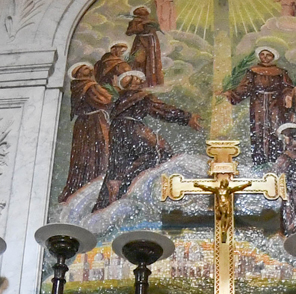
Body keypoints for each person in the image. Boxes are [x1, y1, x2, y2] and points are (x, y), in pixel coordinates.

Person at [98, 70, 200, 210]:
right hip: (132, 128)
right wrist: (186, 117)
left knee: (119, 161)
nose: (139, 82)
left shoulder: (120, 100)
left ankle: (112, 195)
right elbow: (162, 110)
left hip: (116, 131)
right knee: (161, 151)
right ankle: (134, 188)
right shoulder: (141, 96)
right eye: (136, 79)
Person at [223, 48, 294, 166]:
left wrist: (288, 95)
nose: (265, 57)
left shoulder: (281, 72)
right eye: (262, 54)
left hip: (276, 104)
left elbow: (287, 87)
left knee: (275, 129)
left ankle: (275, 160)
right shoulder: (252, 71)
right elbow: (245, 87)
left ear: (273, 57)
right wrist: (232, 94)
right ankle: (259, 160)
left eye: (268, 55)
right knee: (257, 130)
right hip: (257, 103)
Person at [58, 62, 112, 204]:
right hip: (95, 122)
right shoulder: (90, 86)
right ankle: (98, 178)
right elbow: (106, 100)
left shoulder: (77, 86)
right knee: (101, 148)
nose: (89, 69)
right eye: (84, 68)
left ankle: (85, 179)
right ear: (79, 73)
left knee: (84, 154)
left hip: (82, 124)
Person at [126, 4, 163, 85]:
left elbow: (156, 27)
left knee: (151, 59)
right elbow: (129, 32)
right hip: (140, 41)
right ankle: (136, 80)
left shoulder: (151, 21)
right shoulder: (134, 22)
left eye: (143, 15)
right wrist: (138, 25)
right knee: (137, 59)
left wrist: (147, 23)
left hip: (151, 41)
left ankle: (151, 81)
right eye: (138, 16)